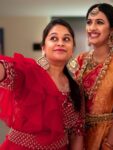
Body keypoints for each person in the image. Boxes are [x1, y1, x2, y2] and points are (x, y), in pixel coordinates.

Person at [0, 18, 84, 150]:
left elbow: (76, 133)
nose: (60, 43)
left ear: (72, 49)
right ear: (43, 48)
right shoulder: (28, 72)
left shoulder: (76, 88)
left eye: (66, 39)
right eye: (54, 38)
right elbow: (7, 71)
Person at [67, 3, 113, 150]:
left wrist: (109, 145)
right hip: (78, 136)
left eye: (99, 22)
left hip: (108, 136)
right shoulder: (80, 59)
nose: (92, 28)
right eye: (89, 22)